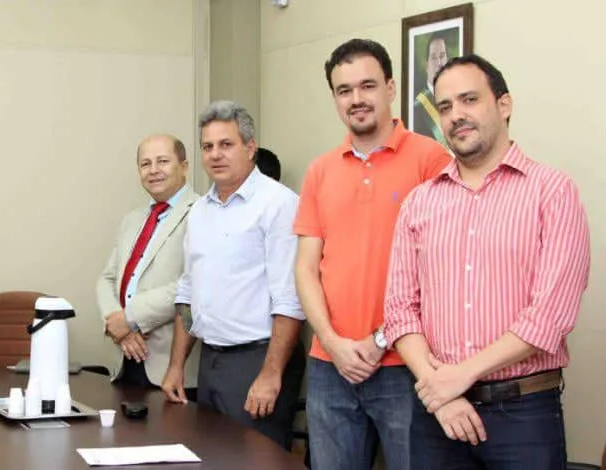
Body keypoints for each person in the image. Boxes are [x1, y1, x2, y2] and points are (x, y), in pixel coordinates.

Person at [384, 55, 590, 469]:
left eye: (469, 99)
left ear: (504, 104)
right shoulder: (419, 203)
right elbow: (399, 311)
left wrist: (461, 376)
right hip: (436, 415)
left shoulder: (553, 192)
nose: (456, 115)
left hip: (524, 416)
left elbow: (550, 316)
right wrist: (440, 390)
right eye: (444, 107)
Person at [294, 38, 452, 470]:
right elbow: (307, 269)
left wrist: (379, 339)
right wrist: (332, 343)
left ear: (391, 88)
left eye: (367, 86)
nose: (356, 99)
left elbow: (441, 271)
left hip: (405, 365)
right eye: (344, 90)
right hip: (330, 366)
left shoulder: (431, 160)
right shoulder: (320, 170)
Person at [161, 101, 305, 446]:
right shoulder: (199, 211)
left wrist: (271, 375)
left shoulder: (278, 204)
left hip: (258, 358)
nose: (215, 155)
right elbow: (187, 292)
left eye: (226, 144)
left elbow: (290, 298)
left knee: (255, 461)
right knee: (210, 457)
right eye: (207, 147)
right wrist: (177, 364)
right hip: (211, 359)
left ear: (250, 148)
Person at [96, 134, 200, 400]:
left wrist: (129, 319)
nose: (153, 170)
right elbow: (107, 279)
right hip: (126, 360)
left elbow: (192, 285)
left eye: (163, 161)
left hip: (173, 371)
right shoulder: (132, 219)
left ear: (184, 166)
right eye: (145, 164)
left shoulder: (202, 213)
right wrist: (118, 327)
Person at [412, 31, 452, 147]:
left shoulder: (456, 101)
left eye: (442, 56)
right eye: (434, 58)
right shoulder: (417, 107)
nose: (439, 63)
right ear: (426, 65)